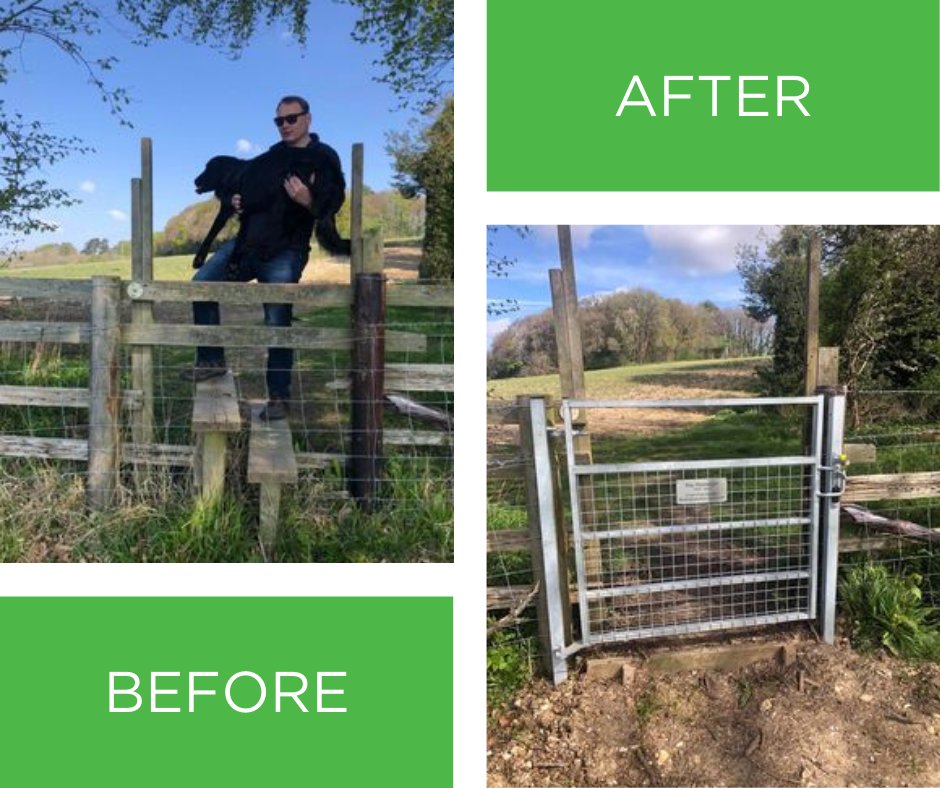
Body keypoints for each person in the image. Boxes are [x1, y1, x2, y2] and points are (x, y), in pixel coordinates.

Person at [181, 95, 345, 421]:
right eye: (279, 121)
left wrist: (307, 199)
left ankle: (279, 398)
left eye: (291, 119)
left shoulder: (323, 157)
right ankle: (212, 361)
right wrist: (237, 198)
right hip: (245, 246)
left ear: (308, 119)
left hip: (285, 252)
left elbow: (331, 204)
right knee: (201, 285)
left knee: (277, 321)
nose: (285, 125)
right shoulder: (271, 156)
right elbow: (240, 186)